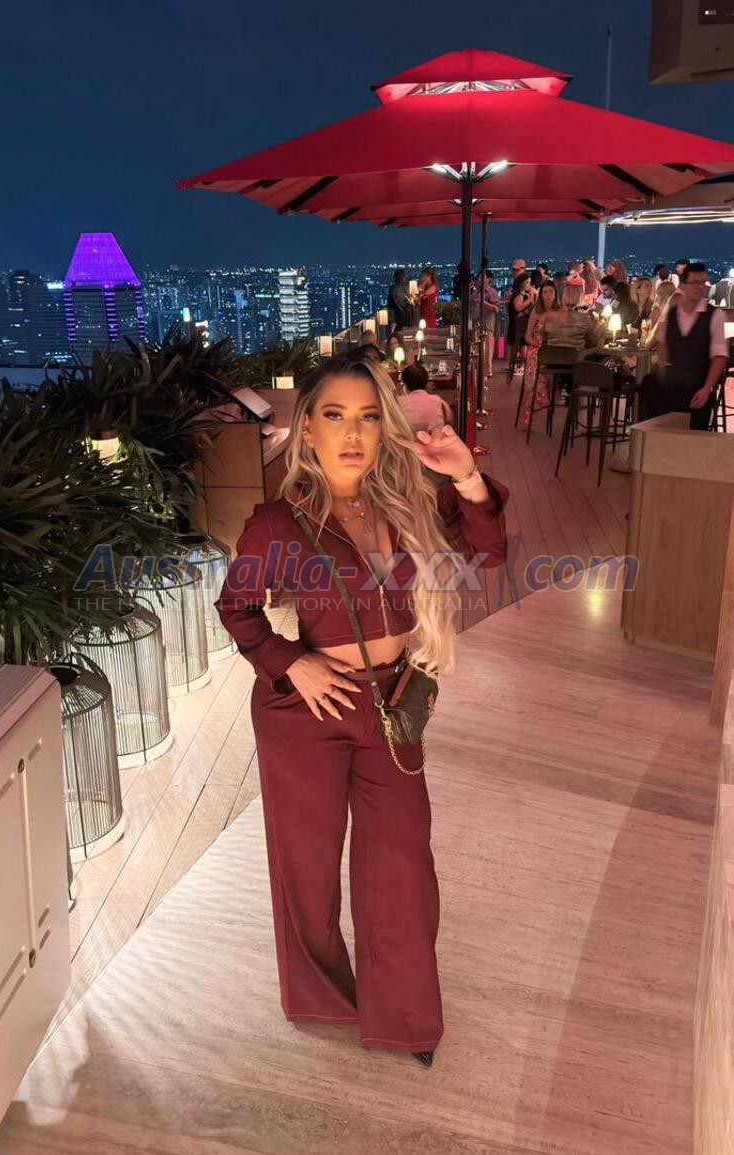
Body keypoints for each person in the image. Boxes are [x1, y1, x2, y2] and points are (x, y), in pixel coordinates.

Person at [216, 355, 509, 1068]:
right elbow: (236, 607)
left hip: (390, 704)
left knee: (402, 862)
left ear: (384, 429)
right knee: (307, 864)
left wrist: (466, 475)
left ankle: (405, 1016)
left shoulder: (409, 505)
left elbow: (490, 552)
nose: (353, 433)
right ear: (307, 431)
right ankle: (320, 998)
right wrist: (292, 661)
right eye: (335, 416)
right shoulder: (277, 524)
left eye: (368, 417)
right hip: (306, 714)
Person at [640, 262, 728, 431]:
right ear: (683, 286)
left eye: (702, 283)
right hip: (672, 381)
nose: (699, 287)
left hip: (698, 383)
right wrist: (663, 370)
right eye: (694, 282)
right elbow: (661, 342)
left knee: (693, 437)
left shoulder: (715, 315)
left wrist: (707, 388)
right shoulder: (672, 313)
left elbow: (719, 356)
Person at [520, 280, 560, 428]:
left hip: (556, 350)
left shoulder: (561, 312)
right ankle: (535, 406)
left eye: (551, 291)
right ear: (541, 295)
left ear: (555, 294)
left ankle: (552, 397)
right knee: (535, 365)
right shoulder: (536, 311)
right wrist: (538, 345)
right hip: (537, 348)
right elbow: (528, 337)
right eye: (545, 292)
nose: (548, 295)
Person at [542, 284, 599, 351]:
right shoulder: (584, 319)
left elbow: (543, 339)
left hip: (550, 355)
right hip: (575, 356)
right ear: (579, 299)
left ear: (563, 297)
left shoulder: (549, 317)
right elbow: (593, 344)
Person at [399, 362, 453, 431]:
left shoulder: (399, 403)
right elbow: (449, 425)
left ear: (405, 385)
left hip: (408, 437)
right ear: (426, 382)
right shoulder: (440, 402)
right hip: (436, 437)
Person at [470, 268, 500, 380]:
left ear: (489, 279)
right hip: (477, 322)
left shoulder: (492, 292)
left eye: (482, 277)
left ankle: (487, 371)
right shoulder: (476, 292)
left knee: (487, 348)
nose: (479, 279)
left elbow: (496, 308)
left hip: (487, 323)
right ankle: (478, 371)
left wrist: (483, 302)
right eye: (479, 277)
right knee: (477, 348)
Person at [508, 272, 536, 371]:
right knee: (519, 345)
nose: (529, 284)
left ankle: (519, 366)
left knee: (523, 345)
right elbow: (518, 307)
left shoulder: (525, 294)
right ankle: (517, 366)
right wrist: (530, 300)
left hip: (523, 324)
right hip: (518, 325)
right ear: (521, 283)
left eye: (529, 282)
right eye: (527, 282)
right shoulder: (519, 295)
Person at [387, 268, 413, 333]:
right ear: (403, 277)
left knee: (399, 334)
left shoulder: (393, 289)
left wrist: (390, 320)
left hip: (398, 317)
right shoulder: (409, 287)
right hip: (410, 316)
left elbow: (390, 306)